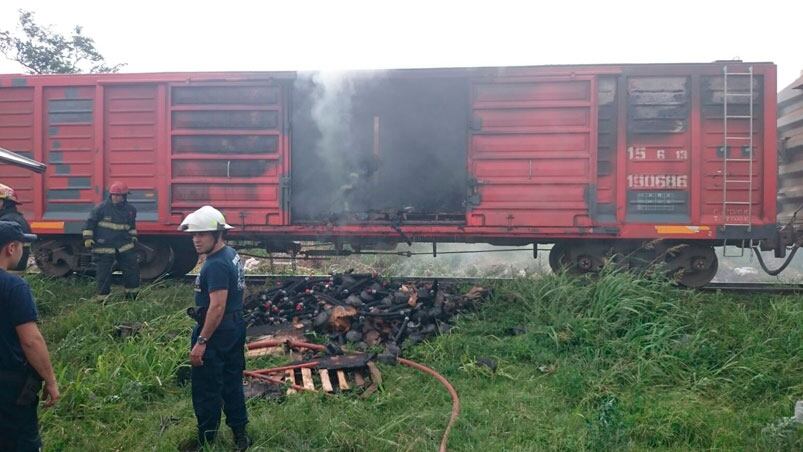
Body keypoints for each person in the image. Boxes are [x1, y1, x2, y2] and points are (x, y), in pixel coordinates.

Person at [179, 205, 250, 450]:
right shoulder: (231, 254)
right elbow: (240, 292)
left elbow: (216, 307)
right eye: (194, 235)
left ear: (218, 234)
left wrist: (201, 342)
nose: (196, 240)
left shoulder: (216, 264)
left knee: (207, 386)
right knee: (232, 381)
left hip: (216, 331)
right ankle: (241, 436)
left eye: (202, 234)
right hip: (234, 326)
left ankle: (206, 440)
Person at [0, 221, 60, 451]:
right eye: (23, 246)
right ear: (11, 248)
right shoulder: (14, 287)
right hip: (8, 389)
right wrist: (51, 381)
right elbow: (30, 340)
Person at [82, 181, 139, 301]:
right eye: (114, 195)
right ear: (110, 195)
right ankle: (103, 299)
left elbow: (132, 226)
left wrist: (133, 237)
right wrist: (88, 239)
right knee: (104, 274)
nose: (116, 198)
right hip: (104, 246)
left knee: (132, 271)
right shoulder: (101, 208)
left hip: (125, 245)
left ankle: (132, 297)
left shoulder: (131, 210)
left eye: (119, 196)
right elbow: (89, 224)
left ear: (124, 196)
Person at [0, 184, 32, 271]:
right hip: (15, 268)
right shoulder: (15, 218)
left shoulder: (7, 222)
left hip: (7, 270)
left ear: (5, 203)